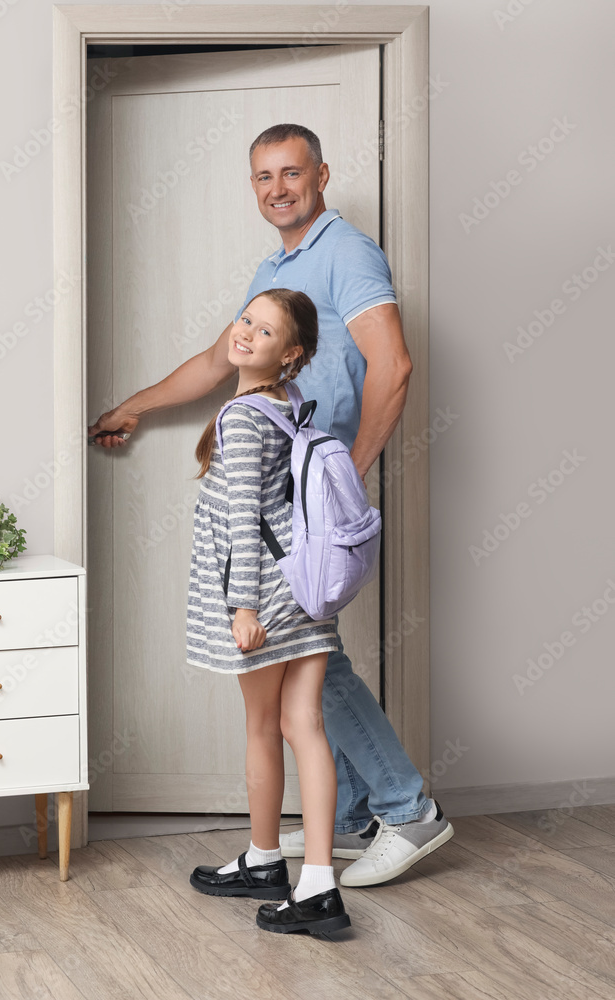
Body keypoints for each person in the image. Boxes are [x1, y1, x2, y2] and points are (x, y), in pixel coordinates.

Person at [88, 123, 454, 889]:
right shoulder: (277, 265)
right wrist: (136, 406)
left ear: (321, 174)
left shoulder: (346, 253)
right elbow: (223, 357)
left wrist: (347, 477)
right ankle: (353, 818)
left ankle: (407, 808)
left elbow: (394, 363)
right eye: (262, 177)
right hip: (284, 498)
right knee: (310, 659)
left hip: (314, 501)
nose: (277, 188)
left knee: (313, 658)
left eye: (290, 173)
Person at [186, 287, 351, 936]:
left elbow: (242, 519)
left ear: (291, 354)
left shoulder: (244, 416)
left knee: (263, 727)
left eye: (266, 330)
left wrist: (243, 607)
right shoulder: (287, 408)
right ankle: (311, 880)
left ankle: (266, 862)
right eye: (246, 319)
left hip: (265, 597)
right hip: (309, 589)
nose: (247, 333)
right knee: (303, 725)